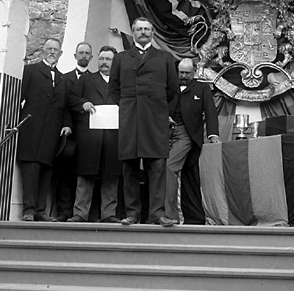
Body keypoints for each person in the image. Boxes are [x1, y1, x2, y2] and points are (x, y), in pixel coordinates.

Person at [109, 17, 179, 227]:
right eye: (139, 29)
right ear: (133, 32)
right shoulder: (121, 58)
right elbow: (113, 90)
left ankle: (157, 213)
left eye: (147, 29)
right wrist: (128, 107)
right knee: (130, 166)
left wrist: (158, 109)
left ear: (152, 33)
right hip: (130, 117)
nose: (143, 32)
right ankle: (132, 213)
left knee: (157, 166)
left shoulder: (165, 57)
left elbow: (172, 90)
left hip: (155, 118)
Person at [67, 45, 123, 223]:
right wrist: (83, 103)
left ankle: (109, 214)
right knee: (85, 175)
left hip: (113, 137)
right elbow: (72, 98)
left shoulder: (121, 82)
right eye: (101, 58)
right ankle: (80, 213)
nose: (104, 62)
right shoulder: (86, 79)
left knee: (111, 175)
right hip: (90, 137)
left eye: (108, 59)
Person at [18, 37, 69, 222]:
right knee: (31, 169)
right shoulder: (30, 71)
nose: (52, 52)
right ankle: (29, 210)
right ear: (42, 51)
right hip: (31, 129)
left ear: (60, 53)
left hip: (51, 132)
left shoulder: (63, 79)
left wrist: (67, 125)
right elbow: (18, 98)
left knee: (46, 170)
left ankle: (40, 210)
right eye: (49, 49)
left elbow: (65, 106)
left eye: (56, 50)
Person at [165, 58, 220, 223]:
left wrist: (213, 135)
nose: (183, 76)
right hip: (164, 132)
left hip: (187, 134)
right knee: (157, 169)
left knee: (169, 167)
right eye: (181, 72)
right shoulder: (168, 87)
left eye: (187, 73)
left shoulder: (202, 88)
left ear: (194, 72)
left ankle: (171, 215)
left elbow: (210, 111)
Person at [53, 41, 93, 221]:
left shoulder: (95, 79)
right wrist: (67, 124)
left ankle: (83, 212)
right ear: (75, 56)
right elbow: (63, 105)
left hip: (88, 133)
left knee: (84, 171)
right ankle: (64, 211)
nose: (84, 56)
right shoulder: (64, 78)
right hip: (68, 132)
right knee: (65, 172)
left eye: (87, 53)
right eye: (81, 53)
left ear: (91, 57)